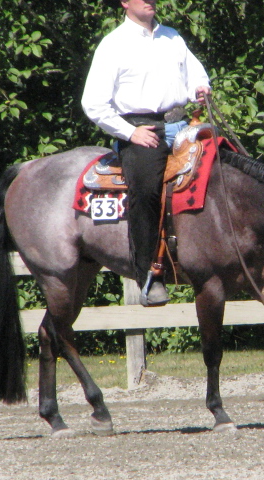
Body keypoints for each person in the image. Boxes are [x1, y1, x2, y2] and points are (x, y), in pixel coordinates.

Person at [81, 0, 211, 307]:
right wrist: (130, 133)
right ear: (125, 2)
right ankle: (149, 274)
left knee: (222, 166)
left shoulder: (172, 37)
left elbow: (196, 75)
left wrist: (200, 89)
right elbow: (93, 103)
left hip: (180, 124)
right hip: (142, 132)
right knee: (147, 192)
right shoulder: (113, 45)